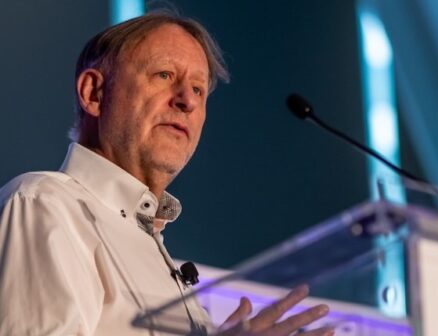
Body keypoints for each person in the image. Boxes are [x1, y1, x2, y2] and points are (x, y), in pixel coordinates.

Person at [0, 11, 332, 336]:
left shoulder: (157, 253)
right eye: (164, 75)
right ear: (94, 93)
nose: (187, 99)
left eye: (199, 89)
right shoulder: (44, 205)